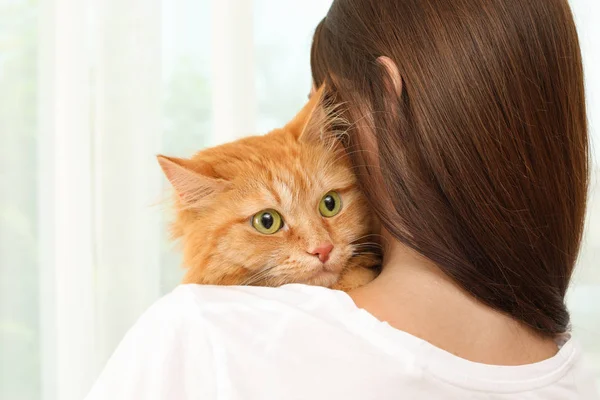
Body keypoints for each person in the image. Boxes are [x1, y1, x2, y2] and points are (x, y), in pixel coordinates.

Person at [85, 0, 599, 398]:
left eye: (334, 105)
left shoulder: (208, 336)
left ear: (386, 98)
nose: (316, 245)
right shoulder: (583, 378)